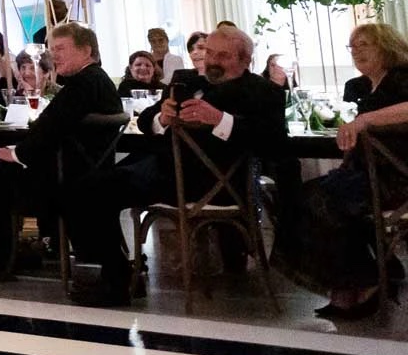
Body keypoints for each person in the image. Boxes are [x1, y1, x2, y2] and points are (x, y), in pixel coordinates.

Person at [62, 23, 287, 306]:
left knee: (92, 190)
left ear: (244, 60)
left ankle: (117, 280)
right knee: (82, 188)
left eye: (224, 56)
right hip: (163, 169)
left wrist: (220, 120)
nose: (213, 61)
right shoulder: (186, 80)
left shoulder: (262, 91)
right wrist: (162, 118)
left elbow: (274, 142)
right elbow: (146, 121)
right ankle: (116, 273)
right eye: (210, 53)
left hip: (216, 183)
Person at [0, 22, 123, 282]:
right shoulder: (96, 80)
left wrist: (15, 154)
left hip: (61, 178)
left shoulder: (83, 83)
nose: (54, 54)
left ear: (86, 50)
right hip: (76, 169)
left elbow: (50, 126)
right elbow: (52, 126)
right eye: (52, 48)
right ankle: (1, 250)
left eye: (60, 48)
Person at [275, 23, 408, 319]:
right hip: (368, 174)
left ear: (387, 47)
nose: (357, 51)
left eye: (365, 45)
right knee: (303, 198)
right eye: (353, 46)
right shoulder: (364, 85)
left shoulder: (401, 78)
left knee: (320, 202)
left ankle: (363, 284)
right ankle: (366, 278)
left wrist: (365, 121)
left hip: (397, 178)